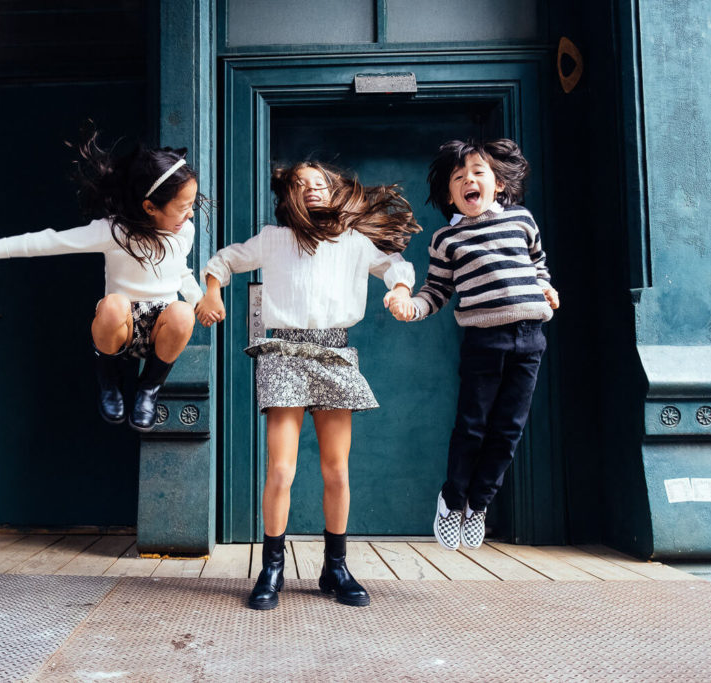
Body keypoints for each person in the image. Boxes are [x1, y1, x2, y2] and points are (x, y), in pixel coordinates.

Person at [196, 161, 420, 609]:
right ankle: (271, 568)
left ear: (336, 192)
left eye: (320, 183)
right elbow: (224, 260)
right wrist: (212, 291)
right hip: (286, 353)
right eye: (301, 183)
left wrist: (399, 291)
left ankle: (335, 567)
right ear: (288, 195)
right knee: (280, 469)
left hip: (335, 353)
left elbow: (397, 265)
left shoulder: (356, 242)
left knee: (336, 470)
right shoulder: (274, 238)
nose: (312, 189)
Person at [0, 126, 204, 432]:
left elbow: (180, 270)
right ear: (150, 207)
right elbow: (50, 242)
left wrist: (197, 299)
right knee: (112, 305)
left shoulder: (184, 232)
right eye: (183, 207)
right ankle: (108, 381)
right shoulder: (114, 231)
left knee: (182, 314)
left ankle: (148, 389)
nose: (190, 214)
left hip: (158, 326)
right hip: (121, 325)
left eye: (191, 205)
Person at [388, 138, 560, 552]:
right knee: (472, 426)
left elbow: (537, 264)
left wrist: (546, 288)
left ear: (498, 183)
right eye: (459, 177)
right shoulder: (447, 239)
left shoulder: (522, 221)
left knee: (509, 429)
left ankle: (478, 503)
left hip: (531, 338)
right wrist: (410, 306)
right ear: (450, 194)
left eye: (478, 172)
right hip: (485, 339)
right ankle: (452, 500)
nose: (469, 180)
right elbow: (436, 290)